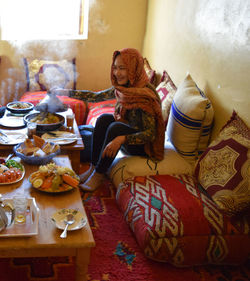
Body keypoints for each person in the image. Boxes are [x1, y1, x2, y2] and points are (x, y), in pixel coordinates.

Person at [62, 48, 165, 191]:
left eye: (122, 68)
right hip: (128, 132)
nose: (117, 73)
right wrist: (66, 92)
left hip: (143, 146)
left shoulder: (144, 96)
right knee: (104, 119)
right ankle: (93, 167)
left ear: (133, 68)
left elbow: (150, 135)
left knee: (115, 128)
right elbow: (97, 96)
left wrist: (122, 139)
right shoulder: (125, 88)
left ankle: (99, 173)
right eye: (115, 68)